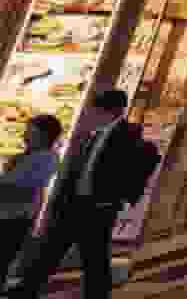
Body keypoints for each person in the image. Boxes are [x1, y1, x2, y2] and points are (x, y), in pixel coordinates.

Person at [5, 89, 157, 299]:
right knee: (51, 249)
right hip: (75, 204)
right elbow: (81, 169)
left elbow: (145, 161)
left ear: (111, 110)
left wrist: (119, 196)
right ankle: (27, 289)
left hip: (99, 207)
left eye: (97, 109)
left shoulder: (128, 133)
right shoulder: (94, 134)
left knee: (94, 258)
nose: (93, 113)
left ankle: (95, 294)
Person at [0, 118, 59, 289]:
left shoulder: (47, 158)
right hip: (9, 214)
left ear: (43, 135)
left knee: (3, 258)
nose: (24, 135)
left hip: (16, 217)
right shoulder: (29, 155)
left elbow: (20, 188)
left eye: (29, 132)